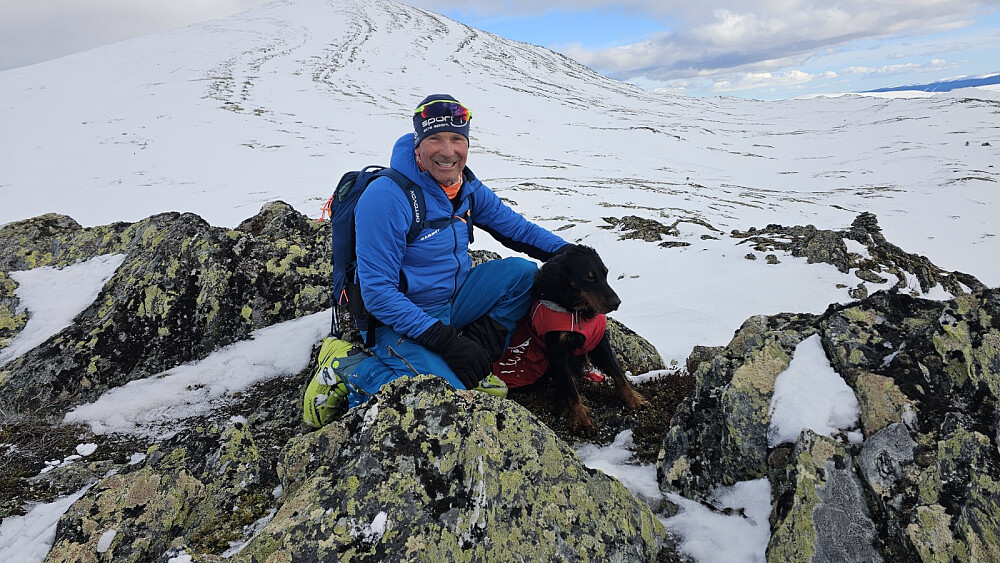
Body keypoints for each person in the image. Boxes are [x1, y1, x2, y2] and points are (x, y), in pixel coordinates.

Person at [310, 94, 568, 415]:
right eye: (435, 139)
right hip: (396, 319)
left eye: (457, 139)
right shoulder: (388, 197)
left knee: (522, 275)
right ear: (418, 145)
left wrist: (571, 254)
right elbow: (378, 295)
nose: (447, 151)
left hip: (452, 299)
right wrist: (446, 341)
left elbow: (518, 230)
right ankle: (348, 365)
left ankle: (474, 364)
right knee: (449, 402)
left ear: (468, 144)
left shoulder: (465, 187)